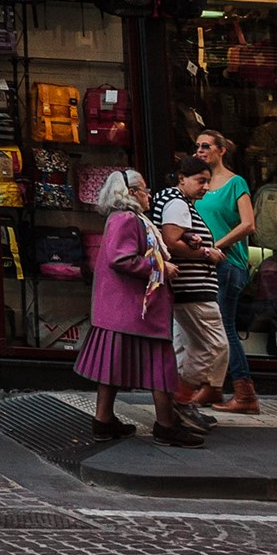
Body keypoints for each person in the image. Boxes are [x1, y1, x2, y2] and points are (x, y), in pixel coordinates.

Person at [73, 169, 201, 448]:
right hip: (135, 309)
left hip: (123, 311)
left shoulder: (129, 219)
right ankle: (166, 425)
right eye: (144, 189)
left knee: (112, 368)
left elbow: (144, 248)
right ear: (131, 193)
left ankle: (104, 421)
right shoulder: (127, 219)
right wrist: (161, 268)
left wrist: (185, 239)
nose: (150, 194)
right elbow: (122, 259)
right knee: (161, 366)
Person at [155, 157, 226, 428]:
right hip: (193, 289)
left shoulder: (174, 201)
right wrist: (207, 253)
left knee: (186, 347)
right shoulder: (177, 203)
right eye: (200, 180)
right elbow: (170, 243)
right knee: (212, 346)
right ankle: (182, 401)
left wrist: (192, 240)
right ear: (182, 178)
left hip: (189, 289)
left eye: (208, 181)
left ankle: (178, 402)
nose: (205, 186)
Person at [194, 131, 261, 414]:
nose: (199, 150)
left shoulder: (236, 183)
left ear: (221, 150)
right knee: (208, 328)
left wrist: (215, 245)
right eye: (197, 146)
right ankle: (213, 388)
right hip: (205, 264)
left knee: (224, 327)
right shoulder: (200, 185)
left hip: (227, 263)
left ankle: (245, 394)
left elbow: (248, 224)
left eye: (205, 146)